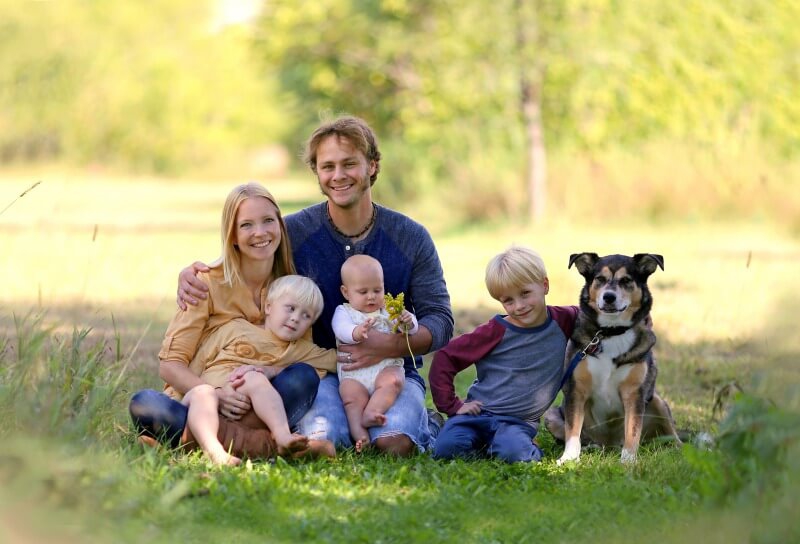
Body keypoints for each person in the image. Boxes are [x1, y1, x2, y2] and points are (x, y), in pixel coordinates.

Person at [178, 115, 454, 456]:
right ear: (317, 173)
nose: (338, 176)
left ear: (372, 166)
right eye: (328, 166)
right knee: (326, 440)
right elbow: (246, 255)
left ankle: (424, 423)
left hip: (392, 374)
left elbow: (440, 320)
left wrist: (389, 345)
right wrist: (197, 273)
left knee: (392, 444)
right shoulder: (294, 233)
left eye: (350, 163)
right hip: (320, 373)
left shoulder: (410, 237)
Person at [129, 183, 333, 461]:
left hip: (261, 402)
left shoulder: (294, 289)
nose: (260, 233)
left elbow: (300, 354)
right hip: (203, 399)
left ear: (280, 227)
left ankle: (193, 442)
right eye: (246, 225)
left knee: (302, 377)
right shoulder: (205, 283)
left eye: (268, 221)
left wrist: (270, 371)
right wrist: (217, 394)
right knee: (145, 404)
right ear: (233, 235)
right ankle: (264, 446)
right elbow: (170, 365)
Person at [429, 246, 578, 463]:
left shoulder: (564, 320)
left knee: (515, 455)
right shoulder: (494, 331)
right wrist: (453, 406)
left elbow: (598, 315)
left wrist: (639, 321)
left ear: (544, 285)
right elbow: (445, 358)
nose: (519, 306)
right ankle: (434, 424)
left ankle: (515, 445)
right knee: (446, 451)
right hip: (476, 415)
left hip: (518, 422)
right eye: (508, 300)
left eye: (525, 294)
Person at [181, 275, 337, 465]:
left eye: (306, 316)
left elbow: (340, 360)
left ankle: (277, 438)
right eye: (291, 308)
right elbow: (197, 365)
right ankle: (249, 447)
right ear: (269, 306)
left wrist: (273, 370)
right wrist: (214, 393)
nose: (296, 318)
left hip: (248, 415)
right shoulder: (235, 329)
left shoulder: (301, 350)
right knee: (151, 402)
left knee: (265, 377)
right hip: (206, 404)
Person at [333, 254, 419, 451]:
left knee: (395, 380)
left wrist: (408, 321)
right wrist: (356, 332)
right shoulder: (344, 311)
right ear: (346, 292)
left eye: (377, 290)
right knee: (351, 399)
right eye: (363, 291)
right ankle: (360, 436)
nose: (371, 296)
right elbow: (340, 329)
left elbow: (412, 331)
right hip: (355, 374)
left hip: (385, 368)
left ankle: (373, 411)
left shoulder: (388, 310)